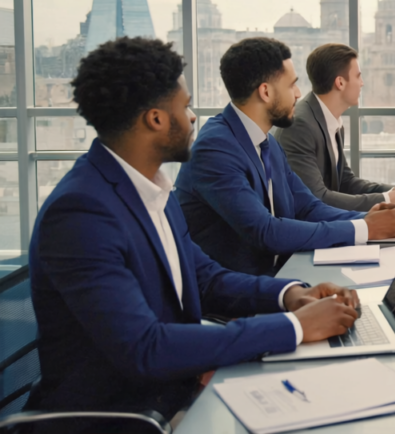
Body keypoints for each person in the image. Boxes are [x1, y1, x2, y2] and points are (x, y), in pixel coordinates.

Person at [28, 37, 361, 420]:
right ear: (155, 119)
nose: (192, 119)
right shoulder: (81, 213)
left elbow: (206, 279)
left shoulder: (153, 189)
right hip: (126, 417)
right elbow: (146, 348)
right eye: (185, 107)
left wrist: (290, 295)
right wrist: (292, 327)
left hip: (176, 393)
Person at [174, 37, 395, 276]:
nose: (298, 93)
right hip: (240, 295)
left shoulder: (266, 141)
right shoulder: (215, 148)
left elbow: (307, 207)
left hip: (281, 275)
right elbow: (265, 230)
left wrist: (370, 217)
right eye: (291, 85)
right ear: (265, 92)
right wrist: (363, 229)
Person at [273, 43, 395, 211]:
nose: (362, 83)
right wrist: (387, 199)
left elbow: (345, 182)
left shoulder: (330, 119)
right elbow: (317, 198)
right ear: (340, 83)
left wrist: (392, 191)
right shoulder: (300, 126)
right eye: (358, 76)